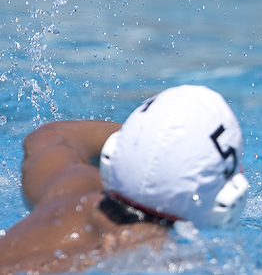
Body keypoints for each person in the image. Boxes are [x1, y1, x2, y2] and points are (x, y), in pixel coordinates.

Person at [0, 85, 249, 274]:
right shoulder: (165, 258)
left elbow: (53, 135)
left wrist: (145, 145)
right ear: (229, 197)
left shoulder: (67, 188)